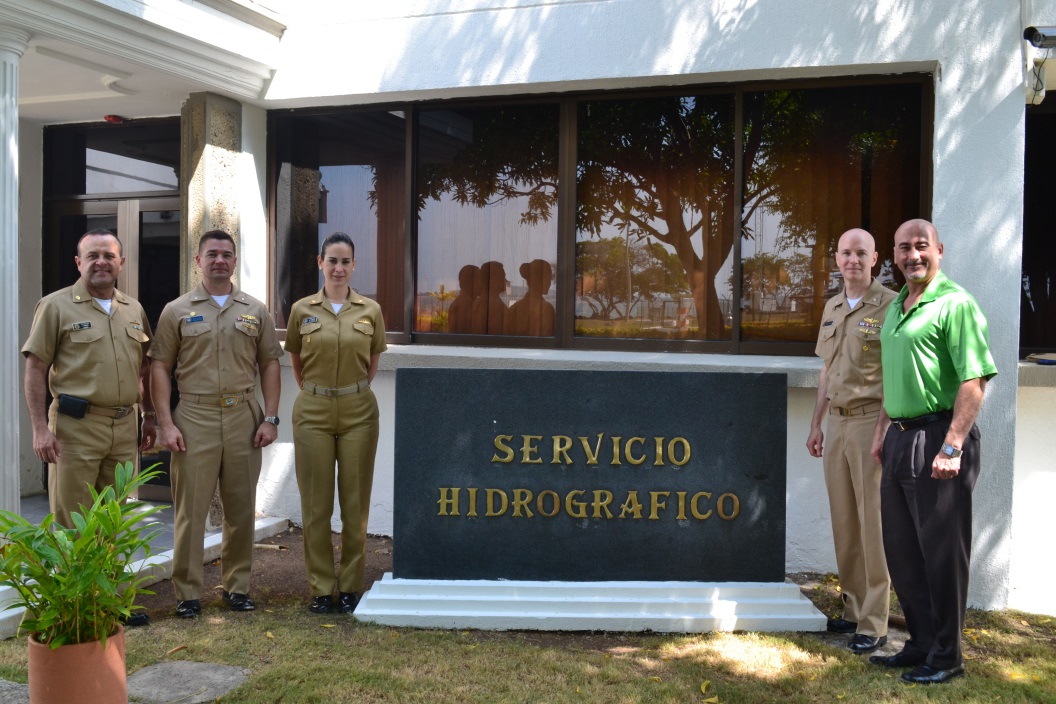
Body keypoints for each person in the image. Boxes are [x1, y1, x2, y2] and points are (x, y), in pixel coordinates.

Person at [868, 218, 997, 685]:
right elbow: (893, 376)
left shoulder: (956, 304)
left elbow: (973, 379)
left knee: (942, 553)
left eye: (921, 246)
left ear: (940, 249)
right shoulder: (897, 306)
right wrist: (883, 431)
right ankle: (920, 642)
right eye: (904, 248)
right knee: (902, 550)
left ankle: (947, 656)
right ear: (895, 256)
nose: (912, 255)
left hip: (939, 438)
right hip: (901, 438)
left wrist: (953, 444)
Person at [150, 230, 282, 618]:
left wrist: (270, 417)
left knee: (241, 507)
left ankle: (236, 587)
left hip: (244, 415)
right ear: (198, 260)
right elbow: (160, 366)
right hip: (194, 416)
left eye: (226, 254)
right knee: (190, 510)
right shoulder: (176, 310)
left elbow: (270, 364)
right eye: (212, 254)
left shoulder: (256, 310)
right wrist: (165, 423)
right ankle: (188, 593)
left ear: (235, 261)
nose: (219, 260)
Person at [22, 228, 156, 529]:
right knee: (74, 520)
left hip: (124, 428)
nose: (101, 262)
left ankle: (109, 578)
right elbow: (35, 368)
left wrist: (148, 415)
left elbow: (143, 367)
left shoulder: (133, 309)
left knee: (114, 520)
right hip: (75, 429)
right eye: (92, 256)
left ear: (121, 262)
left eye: (108, 256)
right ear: (78, 262)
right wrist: (40, 429)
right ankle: (73, 577)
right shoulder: (55, 306)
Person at [284, 232, 386, 615]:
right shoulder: (301, 310)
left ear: (354, 265)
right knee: (316, 505)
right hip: (313, 410)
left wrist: (351, 392)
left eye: (345, 261)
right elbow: (296, 361)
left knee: (355, 504)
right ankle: (321, 588)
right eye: (332, 261)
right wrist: (317, 392)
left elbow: (373, 362)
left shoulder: (370, 310)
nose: (339, 268)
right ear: (320, 263)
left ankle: (350, 586)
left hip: (359, 410)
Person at [806, 228, 896, 654]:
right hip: (836, 425)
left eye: (861, 253)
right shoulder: (833, 306)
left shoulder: (892, 306)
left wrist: (882, 429)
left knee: (872, 524)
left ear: (875, 258)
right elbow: (827, 372)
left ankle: (875, 621)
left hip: (868, 425)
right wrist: (816, 423)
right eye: (846, 253)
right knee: (844, 521)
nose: (853, 260)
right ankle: (853, 608)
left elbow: (894, 376)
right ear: (836, 259)